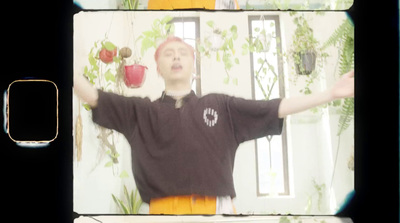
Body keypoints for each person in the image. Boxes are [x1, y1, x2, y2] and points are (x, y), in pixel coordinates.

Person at [74, 36, 354, 215]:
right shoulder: (141, 112)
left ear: (193, 67)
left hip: (217, 210)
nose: (175, 57)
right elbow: (94, 97)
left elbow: (274, 107)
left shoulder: (221, 105)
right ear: (157, 67)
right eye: (168, 53)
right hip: (162, 212)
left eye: (182, 52)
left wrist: (329, 94)